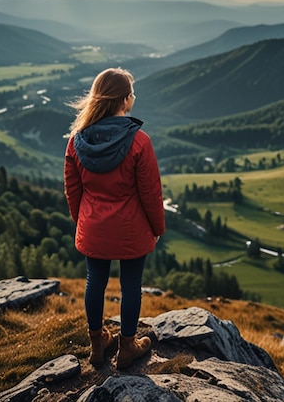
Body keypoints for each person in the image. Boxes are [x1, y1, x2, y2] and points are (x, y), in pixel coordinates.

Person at [64, 67, 166, 369]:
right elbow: (151, 193)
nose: (133, 98)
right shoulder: (139, 141)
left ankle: (97, 346)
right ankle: (127, 347)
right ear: (124, 101)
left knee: (94, 282)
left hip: (93, 227)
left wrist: (82, 221)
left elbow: (73, 191)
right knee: (131, 286)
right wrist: (157, 228)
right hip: (131, 230)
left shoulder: (76, 141)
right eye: (131, 94)